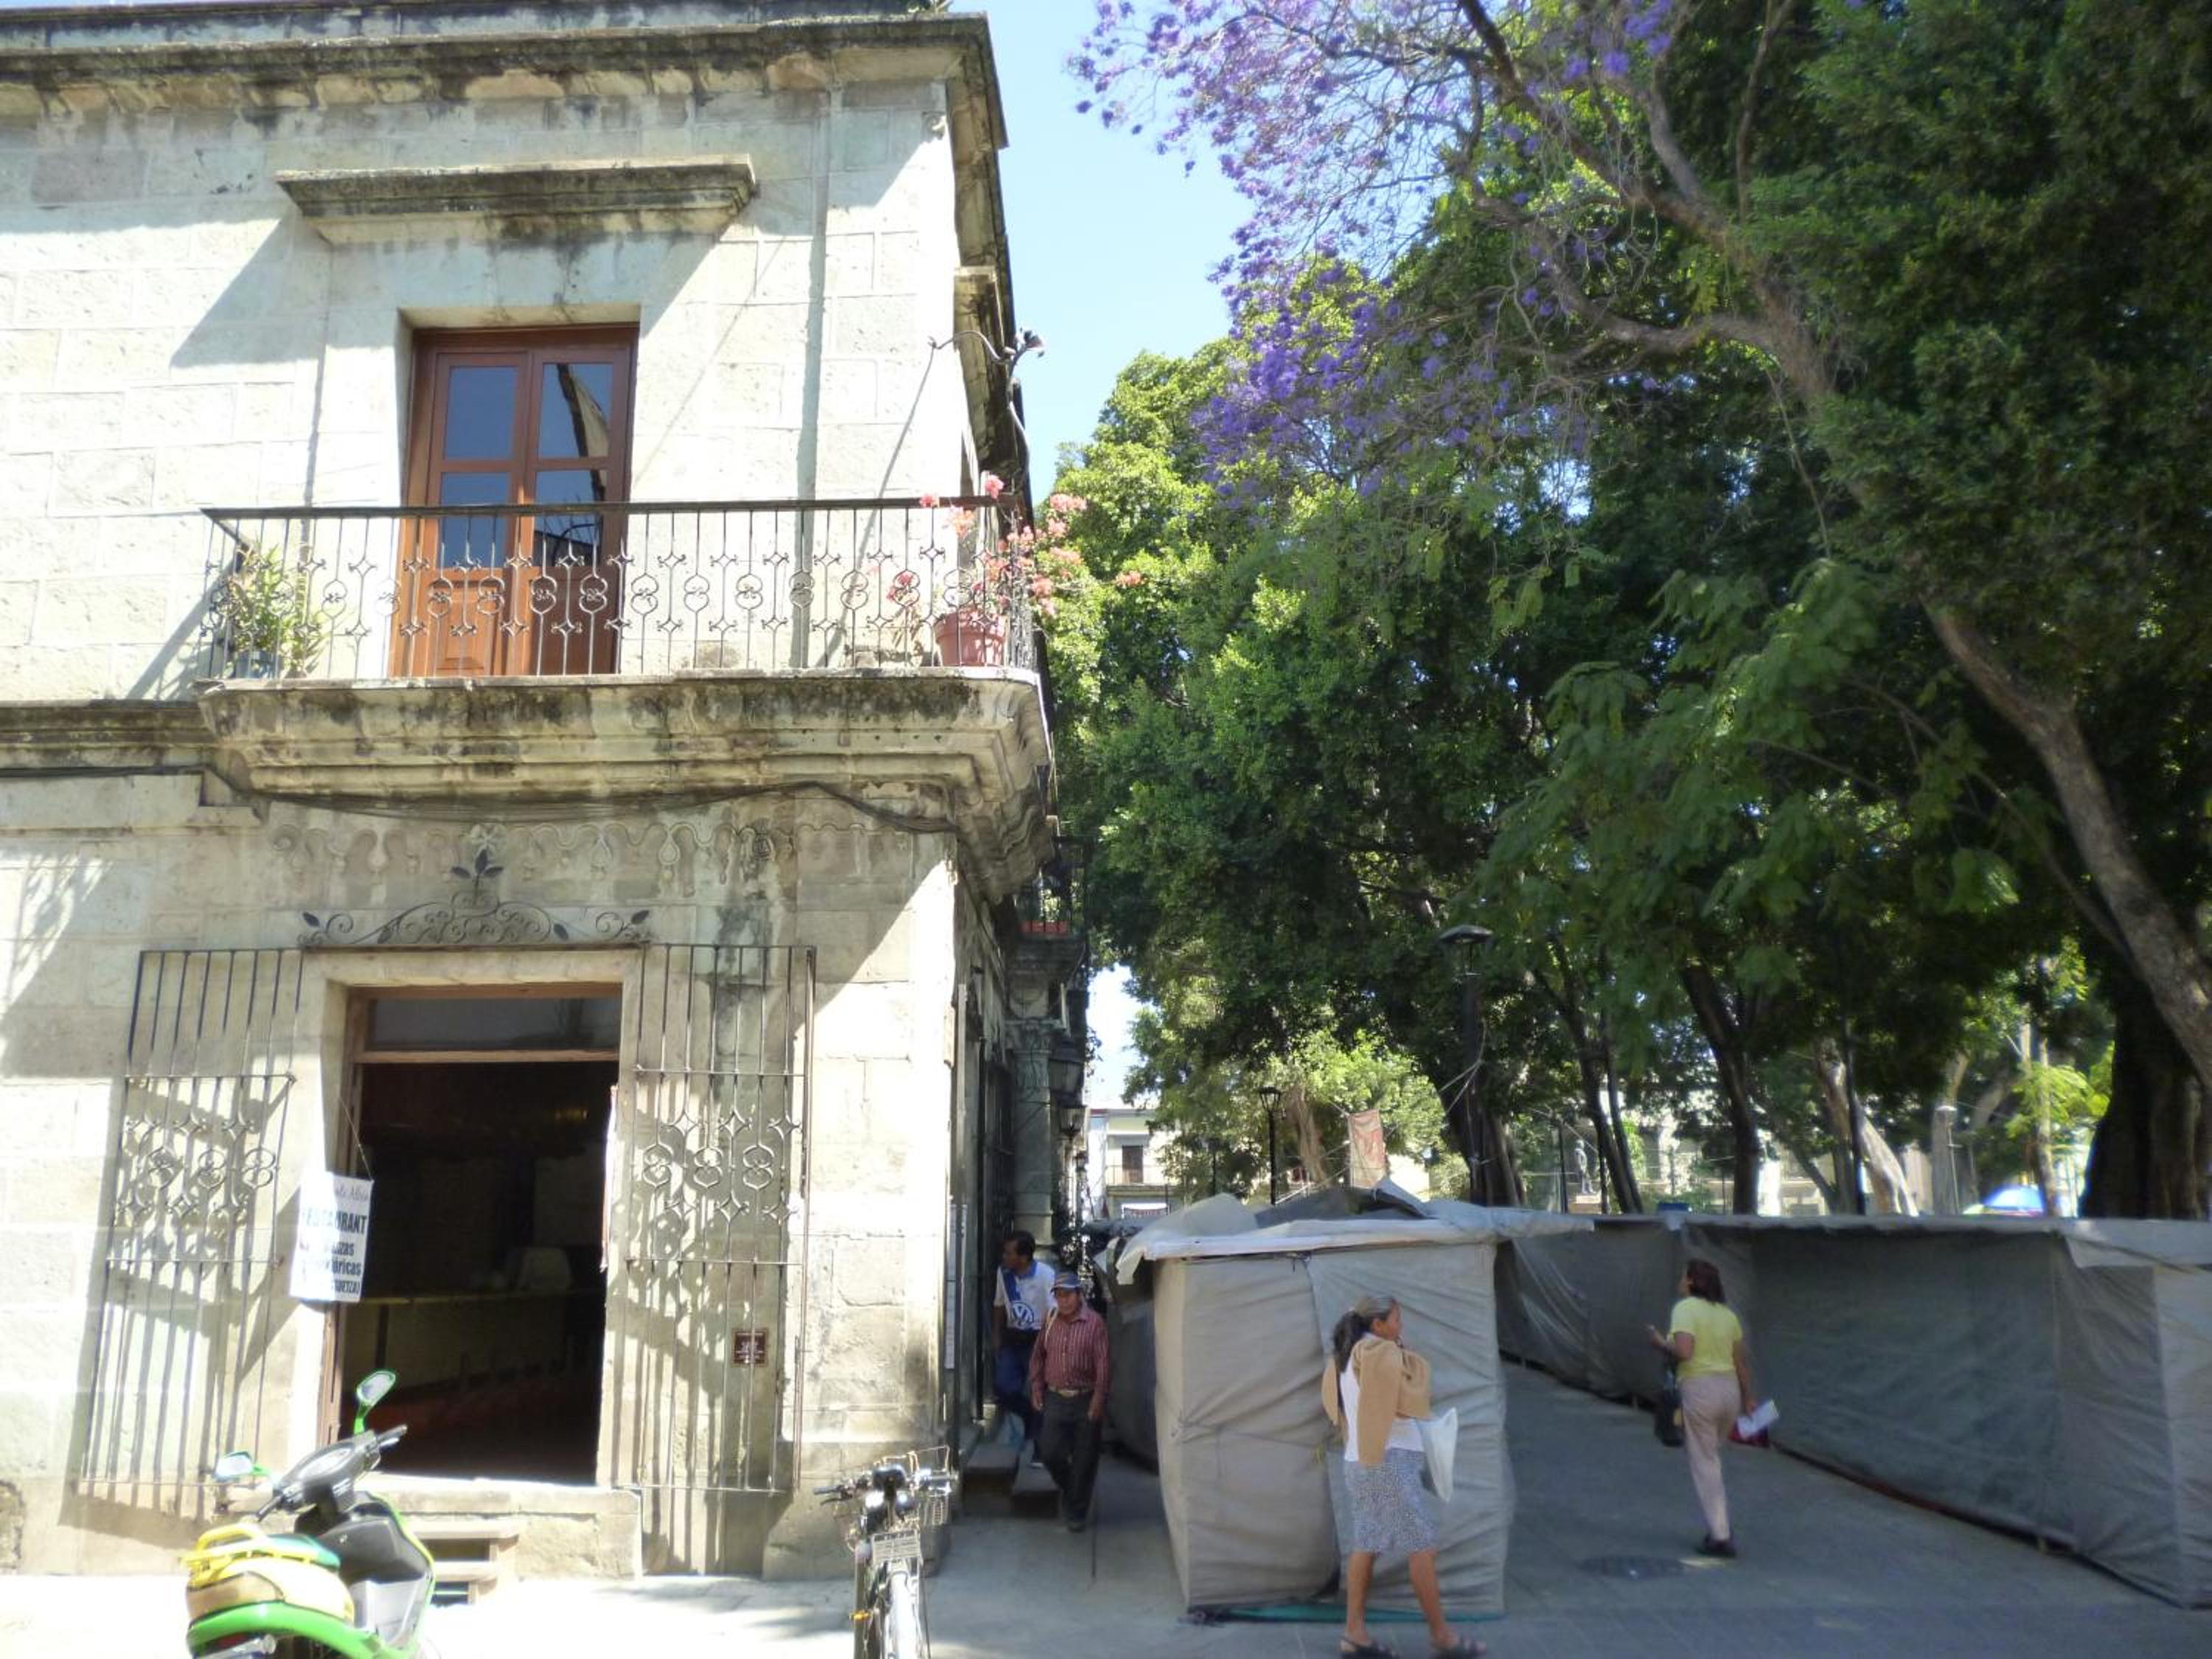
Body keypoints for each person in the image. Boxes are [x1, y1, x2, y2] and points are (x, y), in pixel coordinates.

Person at [1319, 1295, 1483, 1659]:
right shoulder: (1380, 1353)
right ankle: (1442, 1636)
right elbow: (1410, 1399)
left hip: (1360, 1461)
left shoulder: (1347, 1354)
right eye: (1396, 1320)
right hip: (1388, 1462)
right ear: (1377, 1325)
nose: (1401, 1326)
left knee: (1368, 1542)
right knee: (1421, 1546)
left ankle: (1354, 1634)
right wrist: (1400, 1350)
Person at [1645, 1256, 1760, 1559]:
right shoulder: (1728, 1315)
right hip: (1729, 1391)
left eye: (1683, 1276)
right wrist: (1749, 1398)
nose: (1680, 1281)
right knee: (1712, 1456)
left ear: (1692, 1281)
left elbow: (1684, 1351)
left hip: (1700, 1389)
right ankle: (1719, 1524)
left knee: (1705, 1463)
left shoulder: (1685, 1309)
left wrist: (1659, 1342)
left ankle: (1720, 1535)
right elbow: (1740, 1362)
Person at [1027, 1270, 1109, 1532]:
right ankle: (1072, 1491)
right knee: (1050, 1452)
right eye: (1059, 1295)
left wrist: (1099, 1399)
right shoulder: (1050, 1319)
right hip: (1055, 1397)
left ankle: (1077, 1512)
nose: (1063, 1300)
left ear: (1079, 1295)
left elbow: (1103, 1366)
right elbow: (1038, 1356)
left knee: (1085, 1459)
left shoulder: (1094, 1323)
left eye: (1068, 1295)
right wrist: (1037, 1387)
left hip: (1085, 1398)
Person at [990, 1230, 1053, 1450]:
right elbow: (999, 1304)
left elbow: (1053, 1312)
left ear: (1024, 1257)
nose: (1005, 1257)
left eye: (1009, 1253)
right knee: (1003, 1387)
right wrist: (997, 1335)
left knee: (1039, 1390)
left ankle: (1039, 1444)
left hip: (1037, 1338)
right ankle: (1029, 1416)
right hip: (1013, 1337)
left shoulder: (1045, 1275)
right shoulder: (1004, 1273)